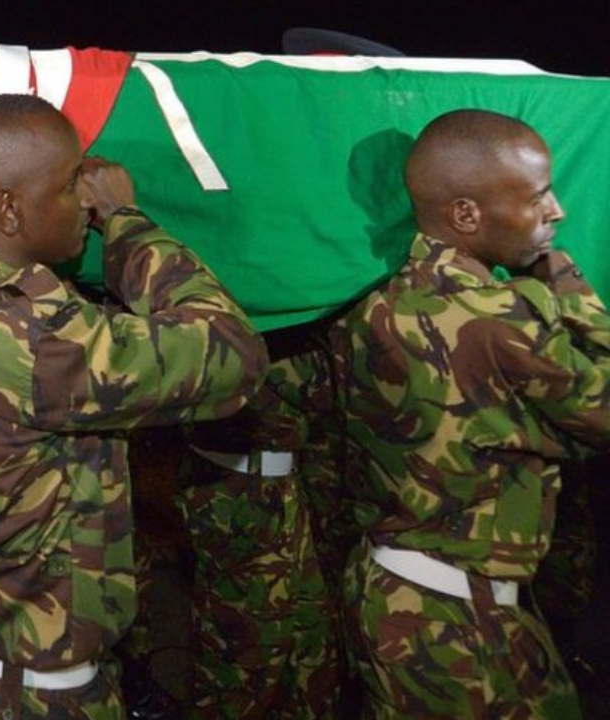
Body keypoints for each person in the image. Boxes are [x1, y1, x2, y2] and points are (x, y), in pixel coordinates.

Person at [0, 94, 269, 720]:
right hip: (31, 694)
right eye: (69, 182)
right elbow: (234, 354)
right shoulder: (29, 338)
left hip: (8, 665)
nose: (85, 197)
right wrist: (127, 220)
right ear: (9, 208)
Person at [341, 108, 610, 718]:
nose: (557, 211)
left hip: (403, 591)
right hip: (455, 617)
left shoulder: (378, 305)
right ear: (466, 214)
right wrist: (568, 280)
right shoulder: (501, 320)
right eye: (539, 195)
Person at [174, 323, 343, 719]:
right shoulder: (243, 325)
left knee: (309, 643)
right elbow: (313, 390)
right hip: (240, 496)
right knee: (245, 656)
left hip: (278, 488)